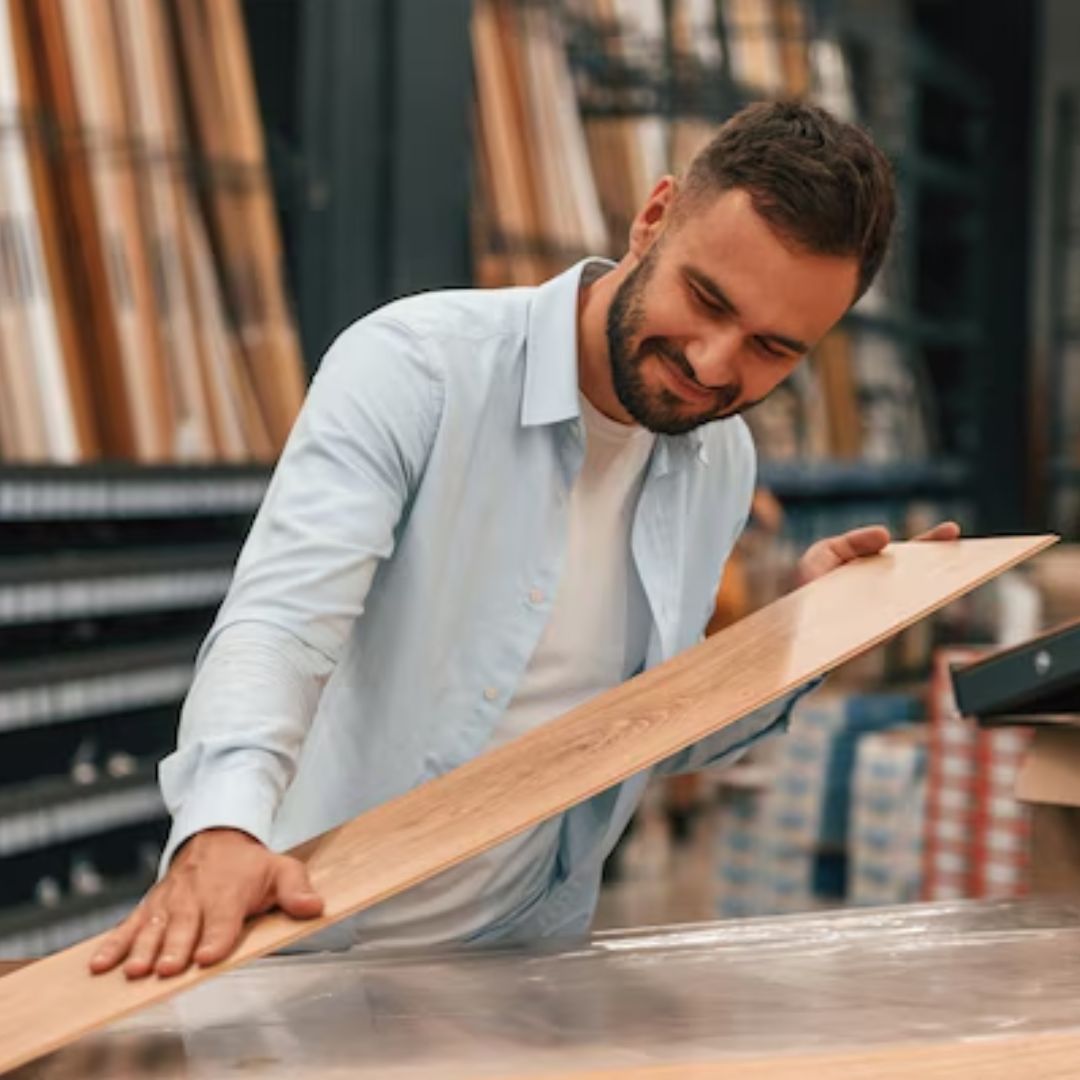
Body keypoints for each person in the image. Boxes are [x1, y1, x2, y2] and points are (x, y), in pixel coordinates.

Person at [90, 100, 958, 980]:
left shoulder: (719, 463)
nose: (713, 364)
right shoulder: (415, 368)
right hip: (296, 957)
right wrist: (223, 823)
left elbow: (641, 735)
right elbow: (280, 624)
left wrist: (801, 633)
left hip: (516, 972)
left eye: (772, 348)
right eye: (705, 299)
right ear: (652, 217)